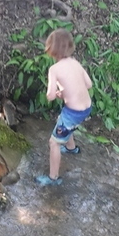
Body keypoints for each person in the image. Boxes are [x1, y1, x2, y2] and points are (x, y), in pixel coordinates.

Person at [35, 28, 92, 186]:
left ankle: (53, 178)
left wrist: (54, 93)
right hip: (86, 108)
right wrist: (66, 92)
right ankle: (71, 148)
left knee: (54, 143)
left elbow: (50, 96)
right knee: (64, 121)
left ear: (51, 49)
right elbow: (88, 84)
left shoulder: (54, 69)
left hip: (73, 112)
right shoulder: (75, 62)